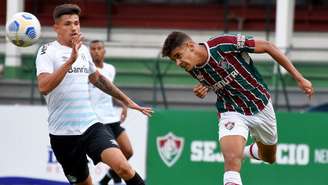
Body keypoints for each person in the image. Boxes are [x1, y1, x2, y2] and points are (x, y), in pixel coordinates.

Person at [161, 31, 314, 185]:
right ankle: (236, 154)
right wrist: (204, 89)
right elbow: (215, 79)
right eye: (174, 60)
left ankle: (245, 151)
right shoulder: (191, 67)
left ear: (190, 46)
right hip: (231, 110)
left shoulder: (223, 44)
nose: (178, 63)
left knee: (269, 157)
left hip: (260, 103)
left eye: (178, 56)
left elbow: (268, 46)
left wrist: (299, 78)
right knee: (231, 162)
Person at [35, 4, 152, 185]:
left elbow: (98, 79)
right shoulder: (47, 51)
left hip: (91, 126)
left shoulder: (83, 50)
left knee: (124, 167)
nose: (74, 27)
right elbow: (43, 87)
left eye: (76, 23)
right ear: (56, 28)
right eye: (67, 24)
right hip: (63, 135)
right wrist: (69, 62)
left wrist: (127, 101)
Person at [88, 40, 133, 185]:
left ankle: (106, 179)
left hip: (111, 117)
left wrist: (124, 103)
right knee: (117, 155)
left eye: (99, 48)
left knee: (128, 151)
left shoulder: (110, 69)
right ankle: (117, 180)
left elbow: (109, 89)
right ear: (89, 52)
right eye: (93, 49)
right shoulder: (87, 70)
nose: (96, 51)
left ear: (104, 51)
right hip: (98, 119)